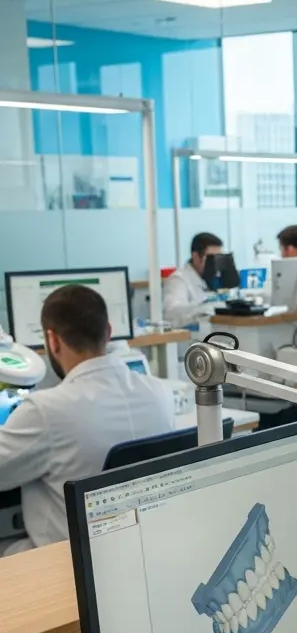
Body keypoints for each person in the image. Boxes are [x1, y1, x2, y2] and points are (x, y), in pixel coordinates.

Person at [0, 285, 175, 555]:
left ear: (52, 340)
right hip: (142, 553)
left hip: (65, 564)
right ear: (108, 331)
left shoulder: (45, 411)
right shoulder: (160, 393)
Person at [163, 232, 223, 328]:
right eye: (210, 259)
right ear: (196, 257)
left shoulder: (212, 278)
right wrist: (202, 308)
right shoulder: (178, 280)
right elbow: (171, 313)